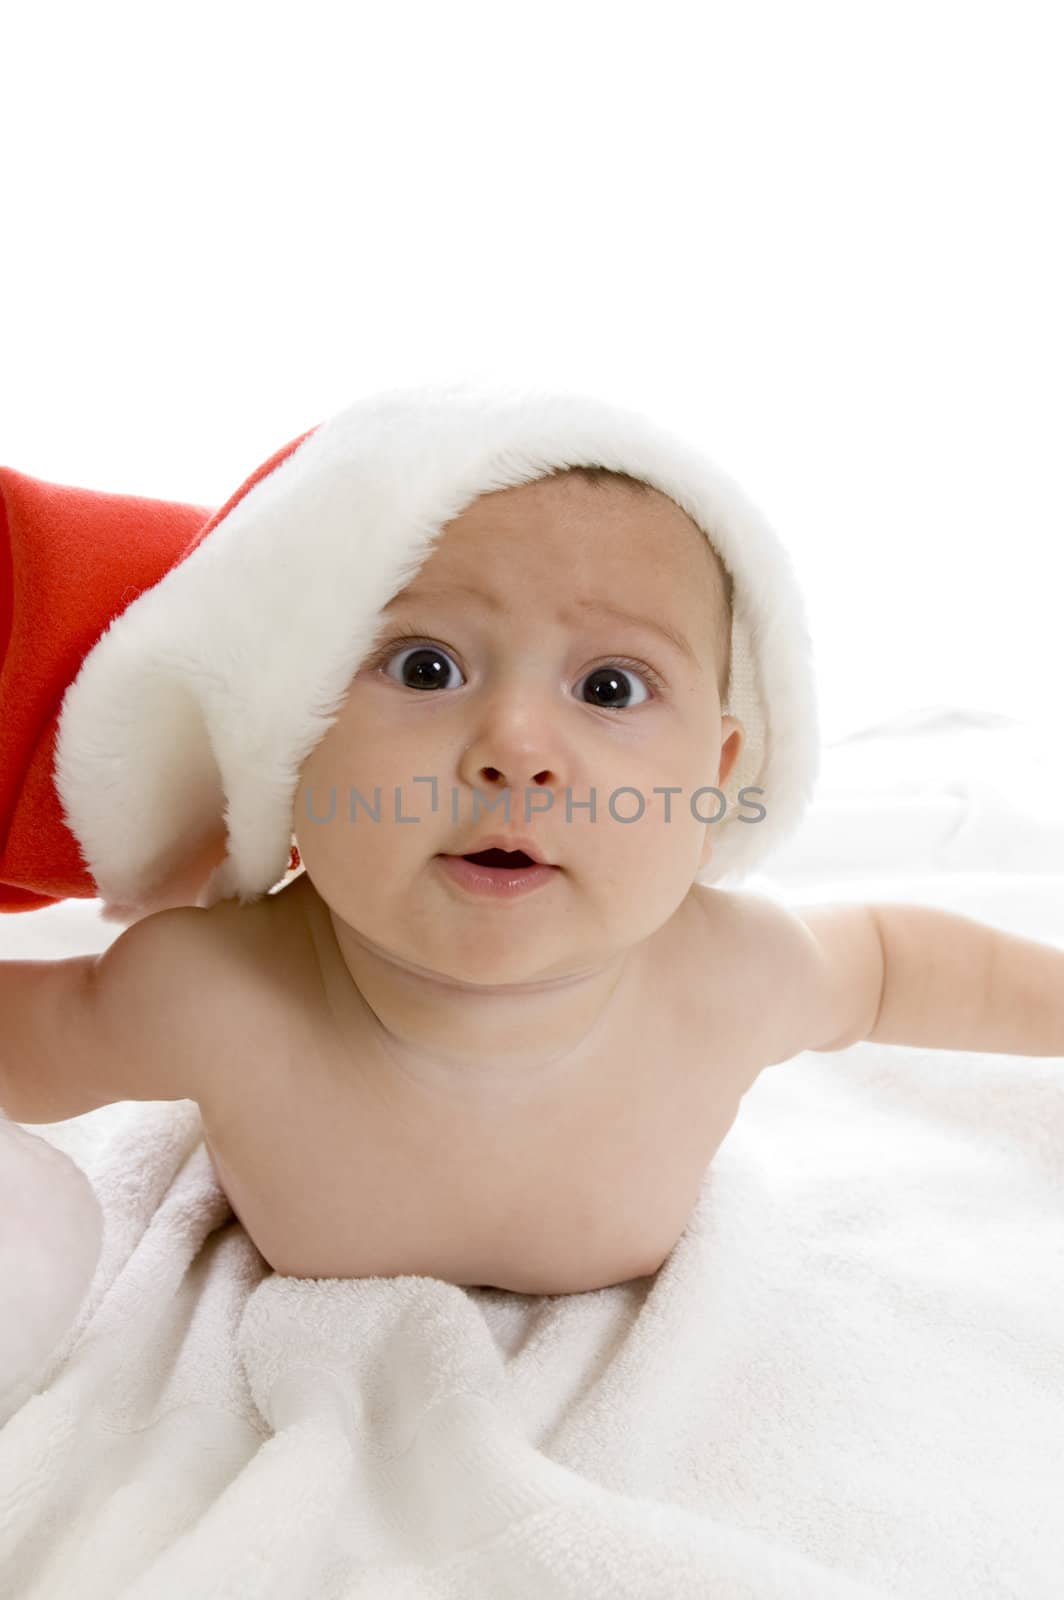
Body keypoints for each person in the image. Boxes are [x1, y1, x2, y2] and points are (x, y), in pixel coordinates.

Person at [2, 385, 1062, 1302]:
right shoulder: (211, 993)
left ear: (719, 776)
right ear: (288, 733)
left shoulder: (732, 974)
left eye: (608, 686)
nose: (515, 747)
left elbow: (894, 965)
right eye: (425, 668)